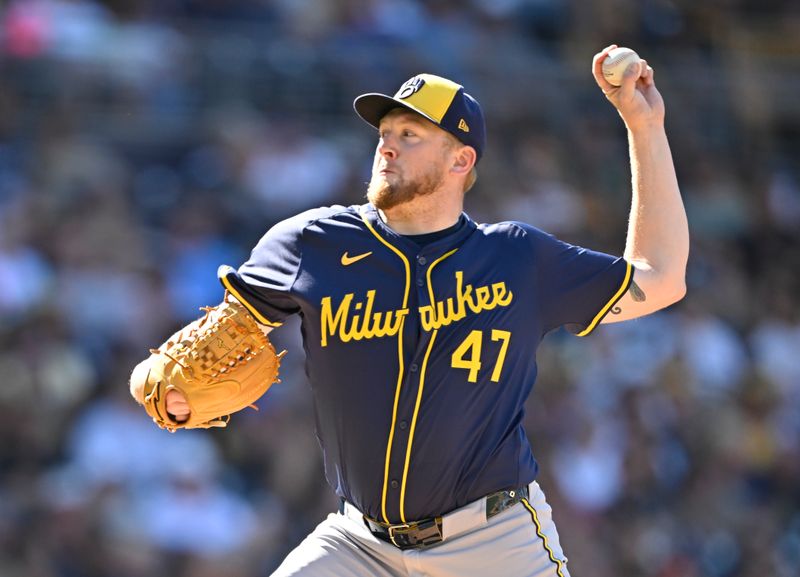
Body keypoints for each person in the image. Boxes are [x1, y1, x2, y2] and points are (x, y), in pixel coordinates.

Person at [151, 44, 689, 576]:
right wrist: (169, 387)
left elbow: (660, 279)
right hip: (358, 543)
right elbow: (221, 335)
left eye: (410, 135)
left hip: (492, 540)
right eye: (385, 134)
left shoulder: (517, 258)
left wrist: (645, 127)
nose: (387, 147)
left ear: (462, 159)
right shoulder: (312, 244)